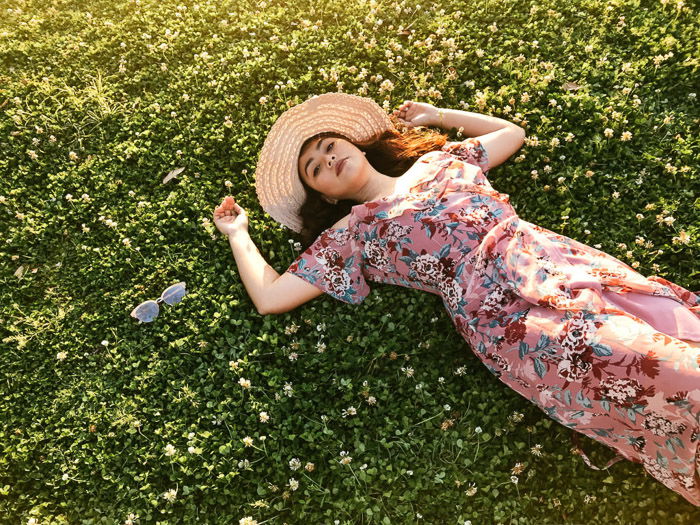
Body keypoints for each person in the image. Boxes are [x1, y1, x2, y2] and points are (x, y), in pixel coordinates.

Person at [213, 92, 700, 505]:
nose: (327, 159)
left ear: (353, 143)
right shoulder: (352, 232)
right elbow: (271, 296)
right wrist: (238, 233)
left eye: (327, 146)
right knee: (651, 368)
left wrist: (437, 116)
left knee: (676, 326)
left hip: (558, 263)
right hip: (503, 314)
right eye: (314, 169)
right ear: (325, 194)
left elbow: (512, 133)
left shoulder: (439, 160)